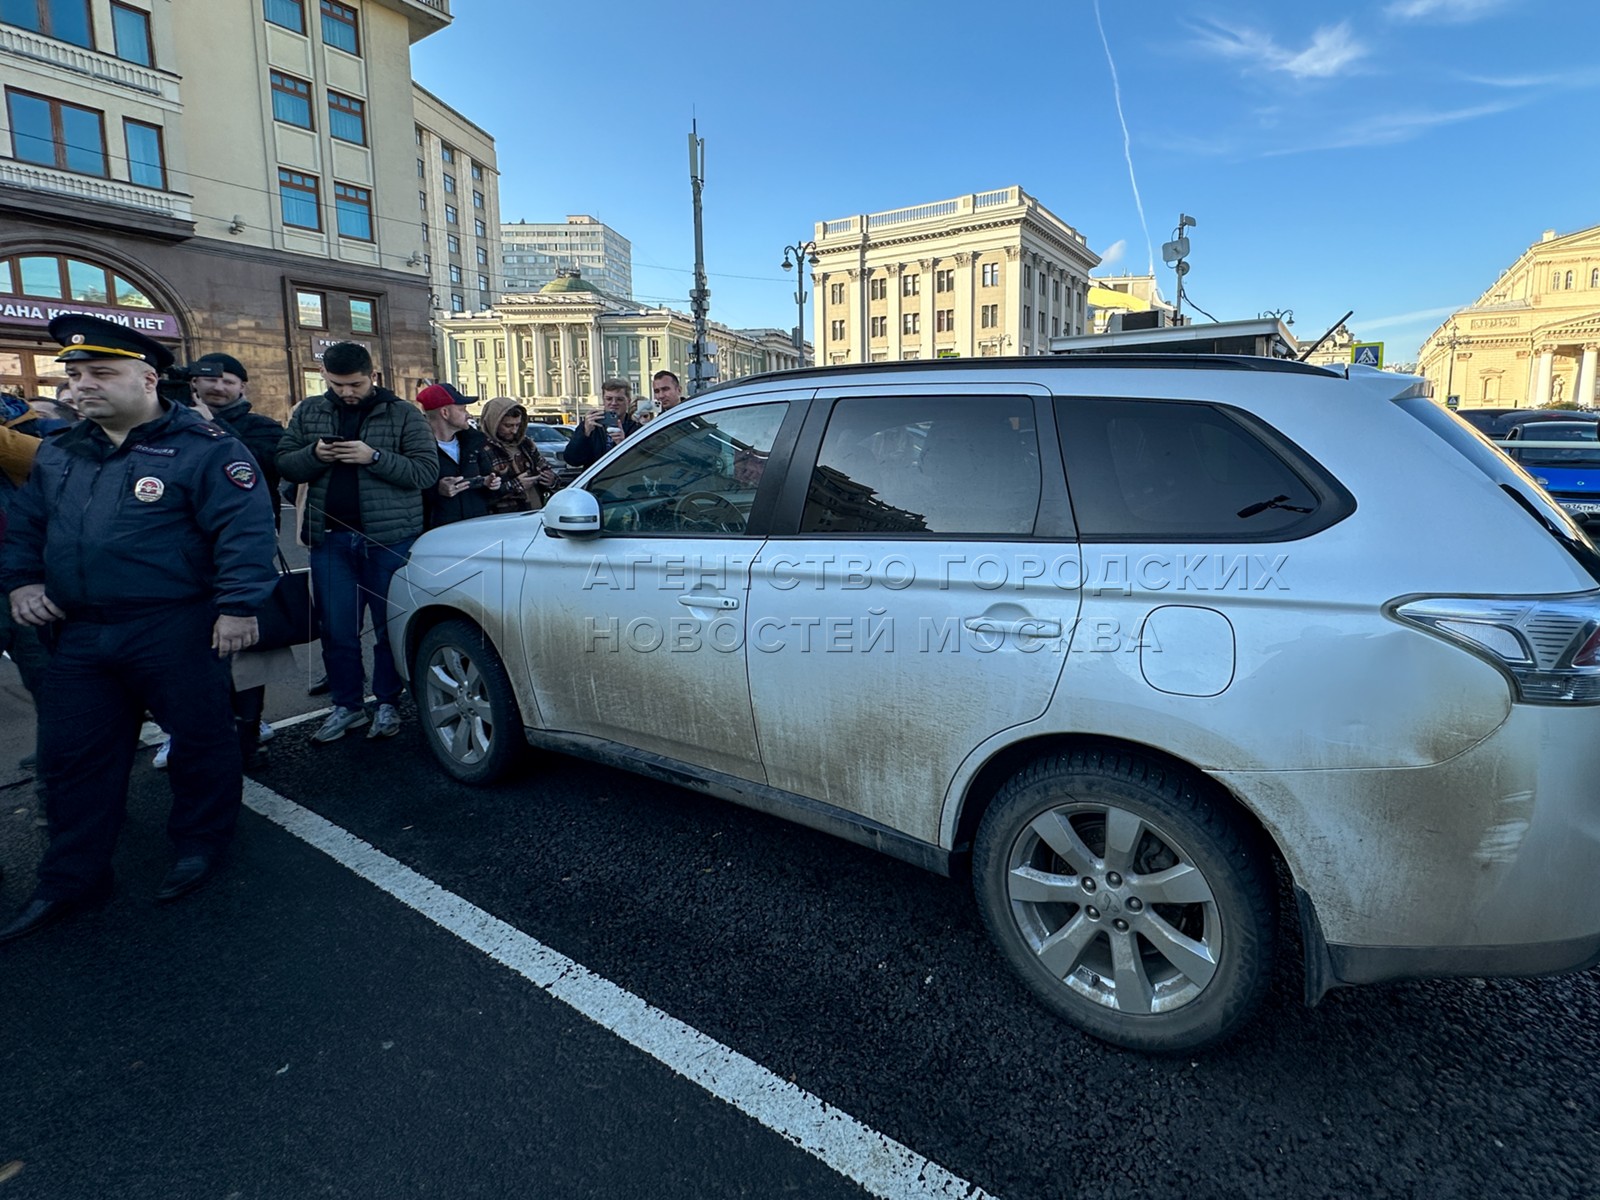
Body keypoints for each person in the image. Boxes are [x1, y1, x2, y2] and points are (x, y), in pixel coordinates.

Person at [0, 315, 278, 943]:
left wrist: (238, 606)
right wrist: (22, 581)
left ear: (148, 378)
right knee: (70, 758)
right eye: (74, 376)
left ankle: (200, 845)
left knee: (202, 741)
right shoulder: (61, 450)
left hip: (173, 627)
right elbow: (27, 527)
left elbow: (245, 530)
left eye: (101, 373)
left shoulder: (204, 448)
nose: (81, 387)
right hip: (80, 633)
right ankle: (72, 878)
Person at [276, 342, 438, 743]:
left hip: (389, 541)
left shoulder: (402, 413)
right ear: (325, 378)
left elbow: (426, 472)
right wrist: (315, 453)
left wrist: (374, 457)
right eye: (338, 384)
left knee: (388, 628)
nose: (347, 392)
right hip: (329, 539)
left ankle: (387, 702)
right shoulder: (311, 411)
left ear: (373, 376)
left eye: (356, 384)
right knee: (337, 630)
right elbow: (284, 462)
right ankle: (347, 706)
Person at [419, 383, 501, 528]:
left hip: (476, 530)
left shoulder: (473, 443)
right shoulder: (418, 448)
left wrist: (493, 485)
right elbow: (407, 492)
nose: (468, 414)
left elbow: (491, 486)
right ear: (445, 413)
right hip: (438, 535)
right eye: (463, 409)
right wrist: (436, 491)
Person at [480, 397, 557, 514]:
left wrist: (551, 480)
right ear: (494, 423)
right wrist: (515, 485)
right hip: (503, 518)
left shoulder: (526, 444)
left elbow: (548, 470)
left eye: (517, 425)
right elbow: (479, 494)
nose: (514, 431)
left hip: (536, 513)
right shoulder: (480, 449)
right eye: (508, 426)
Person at [564, 379, 641, 469]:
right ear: (603, 400)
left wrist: (623, 445)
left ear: (628, 401)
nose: (613, 403)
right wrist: (585, 433)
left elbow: (641, 464)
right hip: (595, 481)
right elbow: (572, 460)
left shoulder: (637, 429)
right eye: (609, 399)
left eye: (619, 399)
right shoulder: (591, 425)